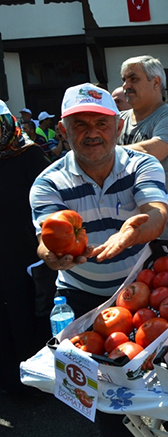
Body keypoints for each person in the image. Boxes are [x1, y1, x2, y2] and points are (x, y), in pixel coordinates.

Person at [30, 83, 168, 318]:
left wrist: (132, 234)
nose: (92, 133)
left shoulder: (142, 165)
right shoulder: (48, 183)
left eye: (101, 124)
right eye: (80, 125)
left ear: (118, 127)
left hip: (141, 285)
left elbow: (156, 213)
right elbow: (46, 239)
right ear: (64, 131)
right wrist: (52, 257)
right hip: (78, 293)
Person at [0, 100, 52, 394]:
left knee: (26, 310)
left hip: (24, 251)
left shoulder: (29, 154)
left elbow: (50, 198)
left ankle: (32, 385)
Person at [118, 55, 168, 242]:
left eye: (133, 79)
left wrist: (101, 155)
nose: (126, 86)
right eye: (124, 80)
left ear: (156, 82)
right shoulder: (118, 120)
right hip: (127, 231)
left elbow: (150, 153)